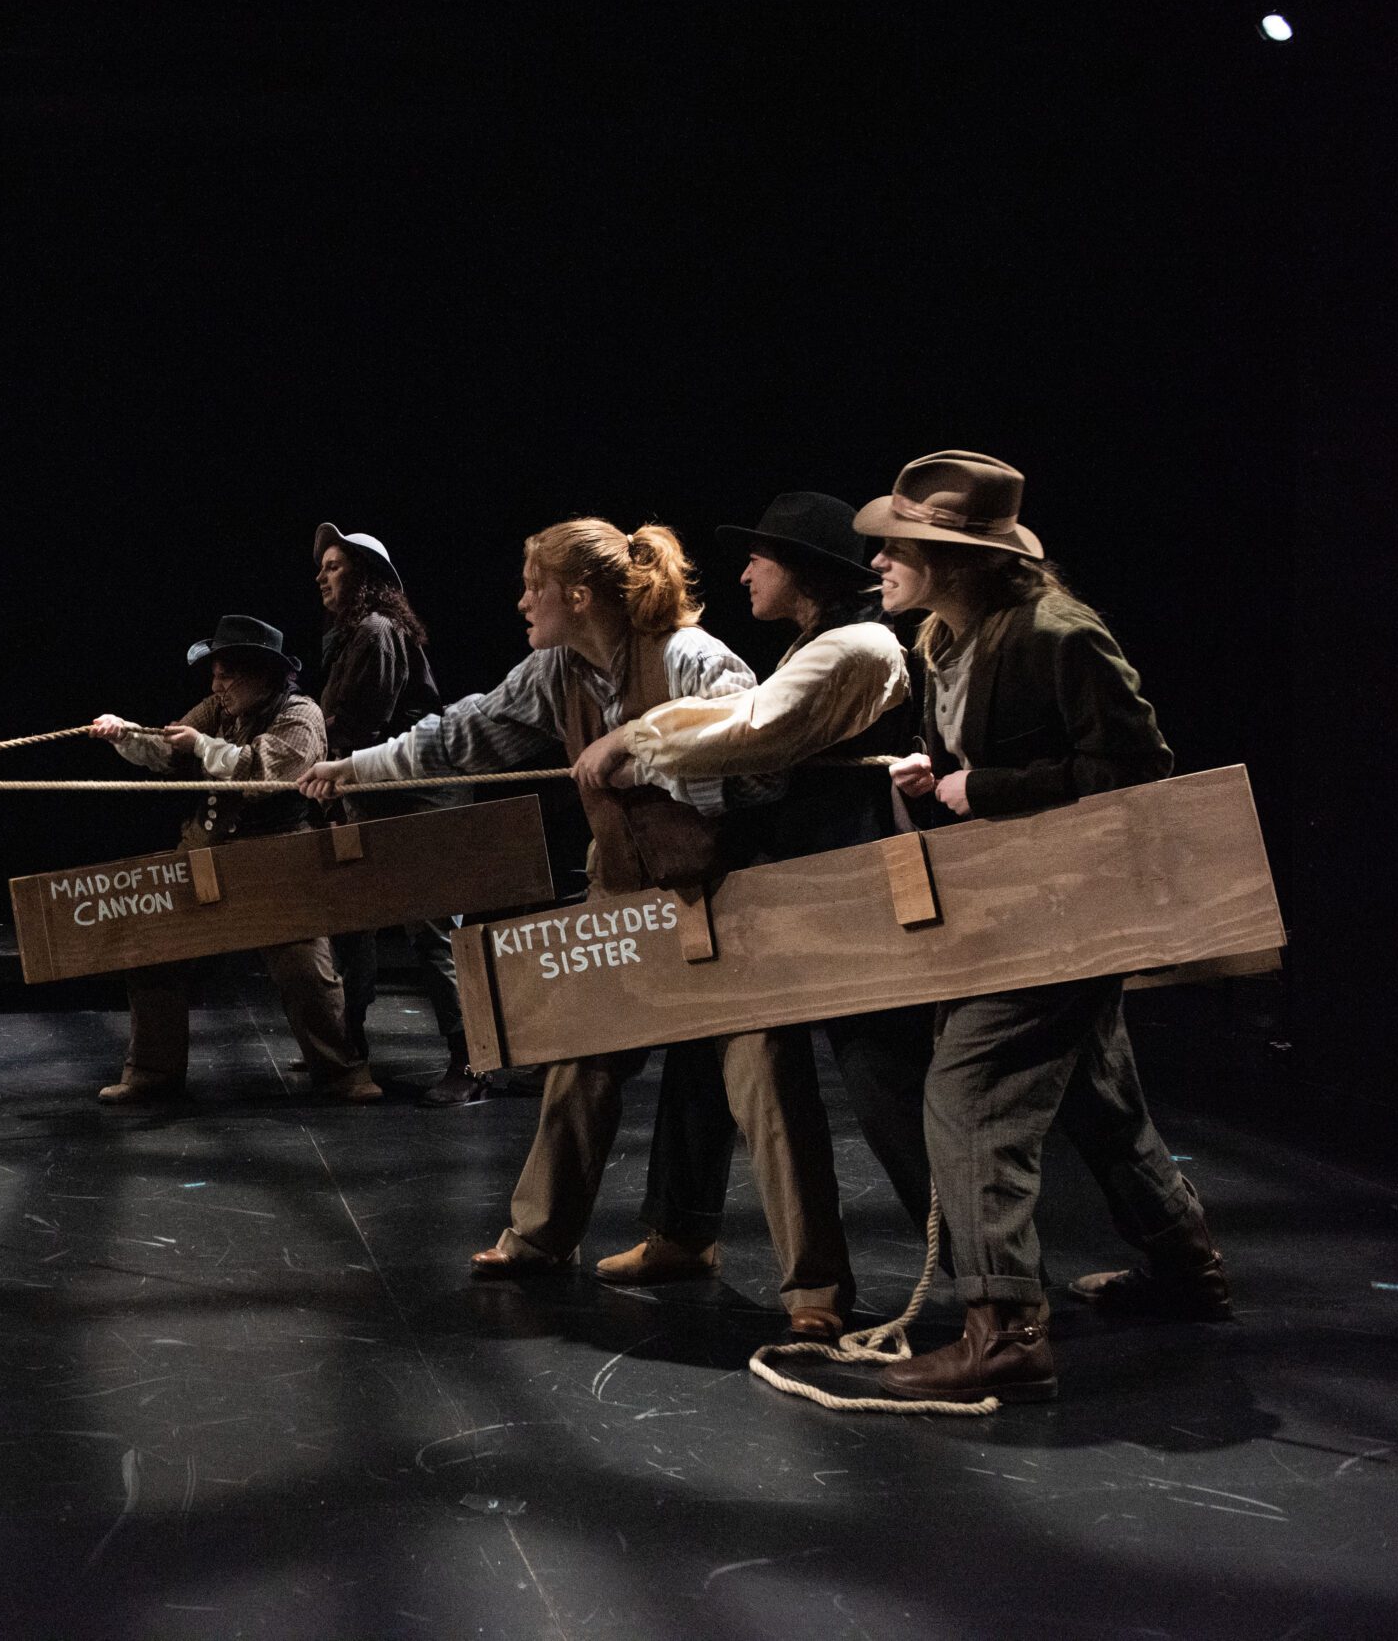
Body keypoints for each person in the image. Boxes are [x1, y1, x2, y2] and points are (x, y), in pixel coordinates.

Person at [301, 519, 855, 1341]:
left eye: (534, 585)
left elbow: (763, 765)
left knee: (765, 1079)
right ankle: (539, 1237)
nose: (522, 600)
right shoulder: (554, 670)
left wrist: (649, 755)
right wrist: (353, 768)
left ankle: (816, 1286)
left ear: (579, 594)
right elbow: (458, 734)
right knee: (582, 1055)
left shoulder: (693, 658)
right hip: (624, 890)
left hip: (722, 894)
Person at [859, 451, 1226, 1404]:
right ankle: (1187, 1268)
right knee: (1098, 1095)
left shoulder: (1058, 634)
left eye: (897, 546)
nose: (880, 563)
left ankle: (1006, 1335)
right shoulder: (944, 638)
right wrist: (934, 772)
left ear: (953, 556)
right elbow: (979, 755)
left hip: (1070, 907)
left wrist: (985, 787)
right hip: (1017, 904)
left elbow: (1140, 773)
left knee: (971, 1090)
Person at [569, 493, 932, 1291]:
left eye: (759, 559)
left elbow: (757, 727)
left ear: (800, 570)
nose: (743, 572)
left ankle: (986, 1281)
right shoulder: (820, 642)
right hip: (791, 887)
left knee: (884, 1085)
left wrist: (634, 738)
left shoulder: (858, 647)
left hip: (848, 895)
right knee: (703, 1045)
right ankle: (681, 1230)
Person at [87, 615, 374, 1104]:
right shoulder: (217, 710)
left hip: (277, 861)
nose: (216, 685)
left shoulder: (300, 716)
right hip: (206, 851)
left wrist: (200, 745)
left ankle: (341, 1072)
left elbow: (262, 776)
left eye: (226, 675)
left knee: (305, 970)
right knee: (157, 952)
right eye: (215, 675)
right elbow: (167, 747)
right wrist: (125, 735)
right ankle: (152, 1074)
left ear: (261, 674)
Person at [309, 524, 478, 1106]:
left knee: (430, 928)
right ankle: (348, 1047)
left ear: (365, 577)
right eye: (322, 566)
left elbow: (359, 726)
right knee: (353, 920)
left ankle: (470, 1060)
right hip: (372, 795)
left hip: (418, 798)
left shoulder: (378, 631)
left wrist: (310, 761)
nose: (322, 576)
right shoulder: (351, 638)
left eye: (335, 566)